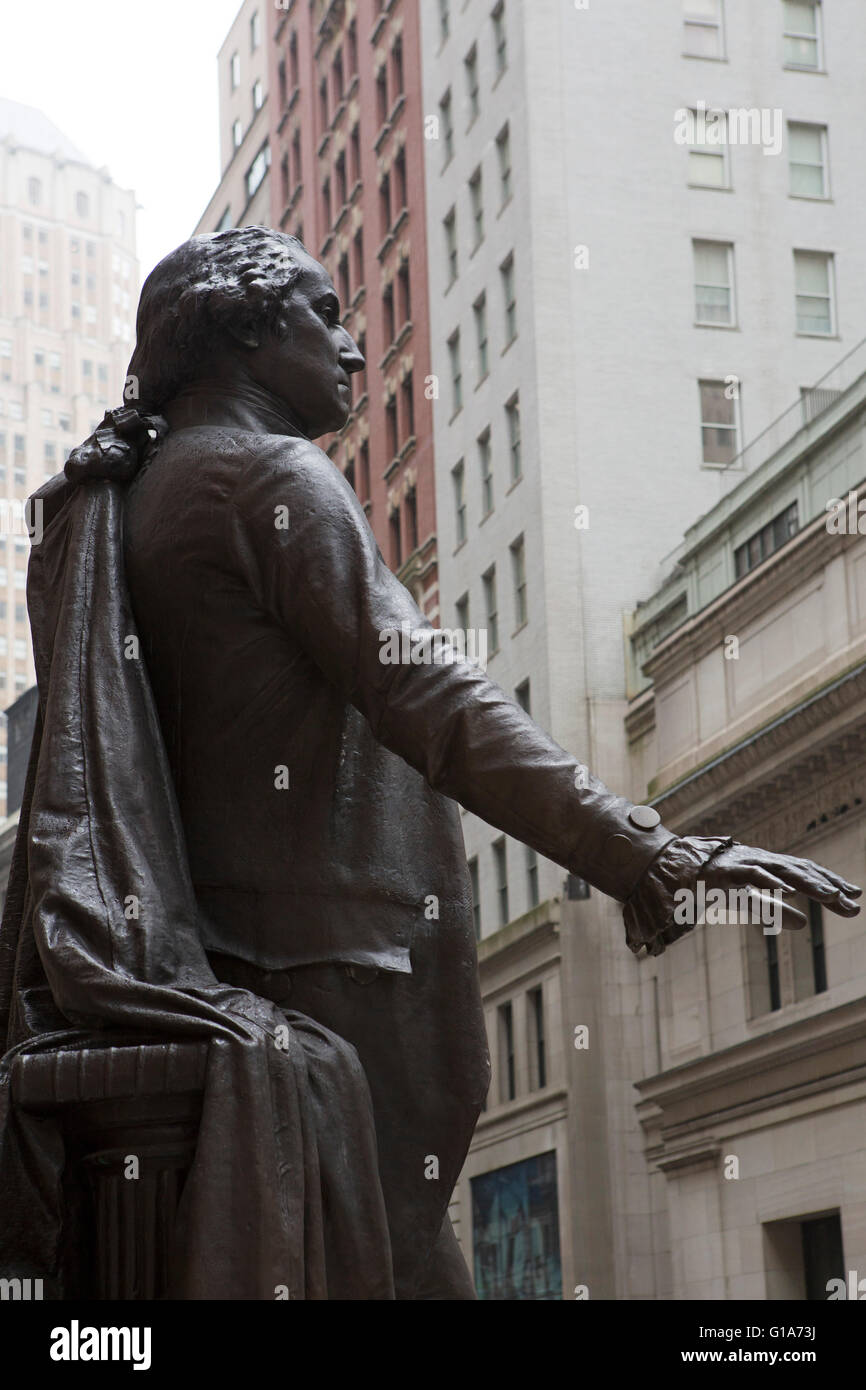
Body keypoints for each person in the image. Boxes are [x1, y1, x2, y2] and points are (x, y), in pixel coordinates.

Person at [11, 227, 859, 1299]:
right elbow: (431, 693)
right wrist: (640, 849)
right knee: (398, 1259)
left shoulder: (125, 504)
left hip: (222, 963)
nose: (354, 349)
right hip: (336, 970)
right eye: (323, 314)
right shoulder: (271, 479)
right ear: (241, 327)